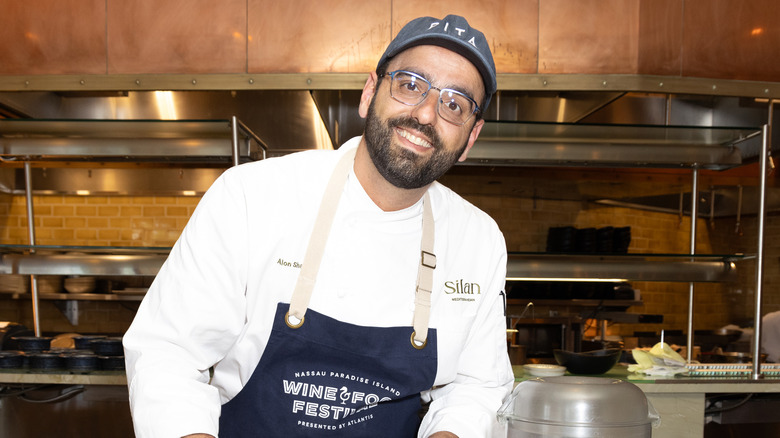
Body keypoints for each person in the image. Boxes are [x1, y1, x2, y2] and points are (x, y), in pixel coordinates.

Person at [123, 14, 514, 438]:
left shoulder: (479, 240)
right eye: (410, 84)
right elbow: (169, 352)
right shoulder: (253, 194)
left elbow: (476, 386)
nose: (424, 114)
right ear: (369, 93)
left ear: (471, 138)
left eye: (454, 104)